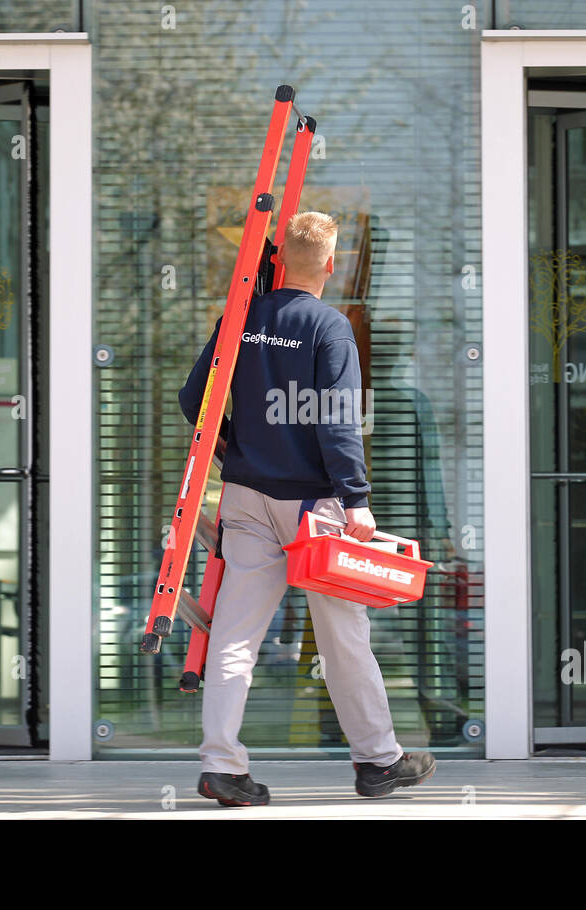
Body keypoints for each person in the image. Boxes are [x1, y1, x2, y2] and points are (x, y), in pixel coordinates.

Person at [178, 211, 435, 806]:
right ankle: (378, 762)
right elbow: (337, 423)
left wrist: (233, 451)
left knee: (235, 636)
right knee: (344, 636)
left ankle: (222, 765)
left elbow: (196, 400)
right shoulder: (329, 328)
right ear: (330, 263)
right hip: (314, 511)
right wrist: (356, 500)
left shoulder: (238, 321)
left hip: (244, 500)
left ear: (280, 260)